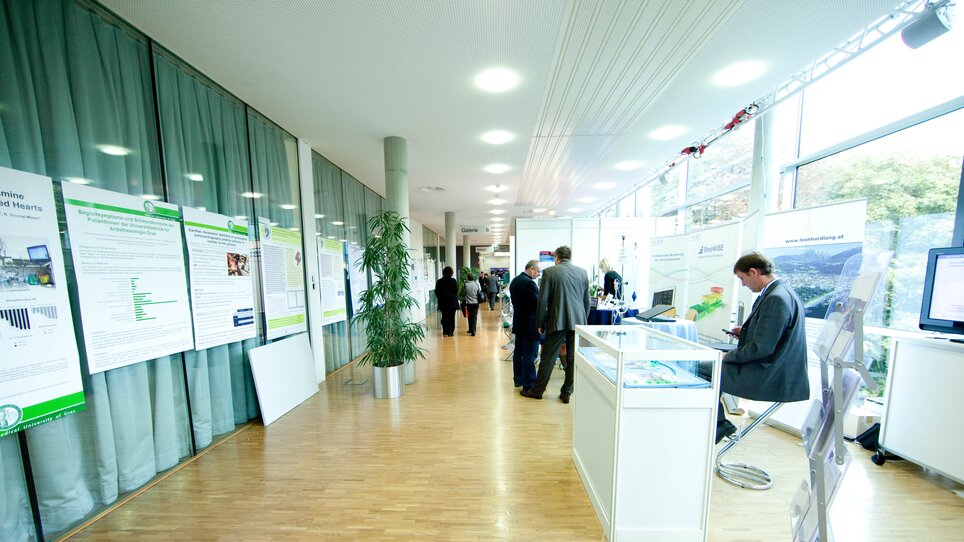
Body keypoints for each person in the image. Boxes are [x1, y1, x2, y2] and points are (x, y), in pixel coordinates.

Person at [715, 251, 809, 443]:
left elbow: (762, 348)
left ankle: (718, 426)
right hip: (774, 367)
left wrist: (727, 357)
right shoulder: (782, 291)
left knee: (707, 371)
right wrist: (747, 331)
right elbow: (774, 334)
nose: (743, 284)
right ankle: (717, 425)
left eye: (742, 278)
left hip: (770, 374)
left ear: (753, 272)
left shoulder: (776, 298)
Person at [521, 246, 590, 403]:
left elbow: (543, 300)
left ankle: (537, 390)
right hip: (578, 321)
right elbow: (586, 301)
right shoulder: (583, 272)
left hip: (557, 320)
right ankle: (567, 392)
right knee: (573, 358)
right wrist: (583, 321)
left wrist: (540, 322)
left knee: (548, 357)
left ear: (556, 258)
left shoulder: (550, 272)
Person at [510, 259, 541, 391]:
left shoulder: (515, 281)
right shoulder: (530, 284)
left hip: (519, 321)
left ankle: (518, 379)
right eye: (537, 271)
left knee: (518, 352)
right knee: (529, 354)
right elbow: (538, 303)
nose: (538, 274)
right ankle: (529, 384)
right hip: (530, 324)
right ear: (531, 269)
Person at [435, 266, 459, 337]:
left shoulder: (439, 281)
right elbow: (456, 291)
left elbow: (437, 292)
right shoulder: (453, 281)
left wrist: (441, 297)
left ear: (443, 272)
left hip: (443, 302)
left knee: (445, 316)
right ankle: (451, 332)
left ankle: (445, 331)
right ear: (451, 273)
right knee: (452, 317)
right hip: (452, 302)